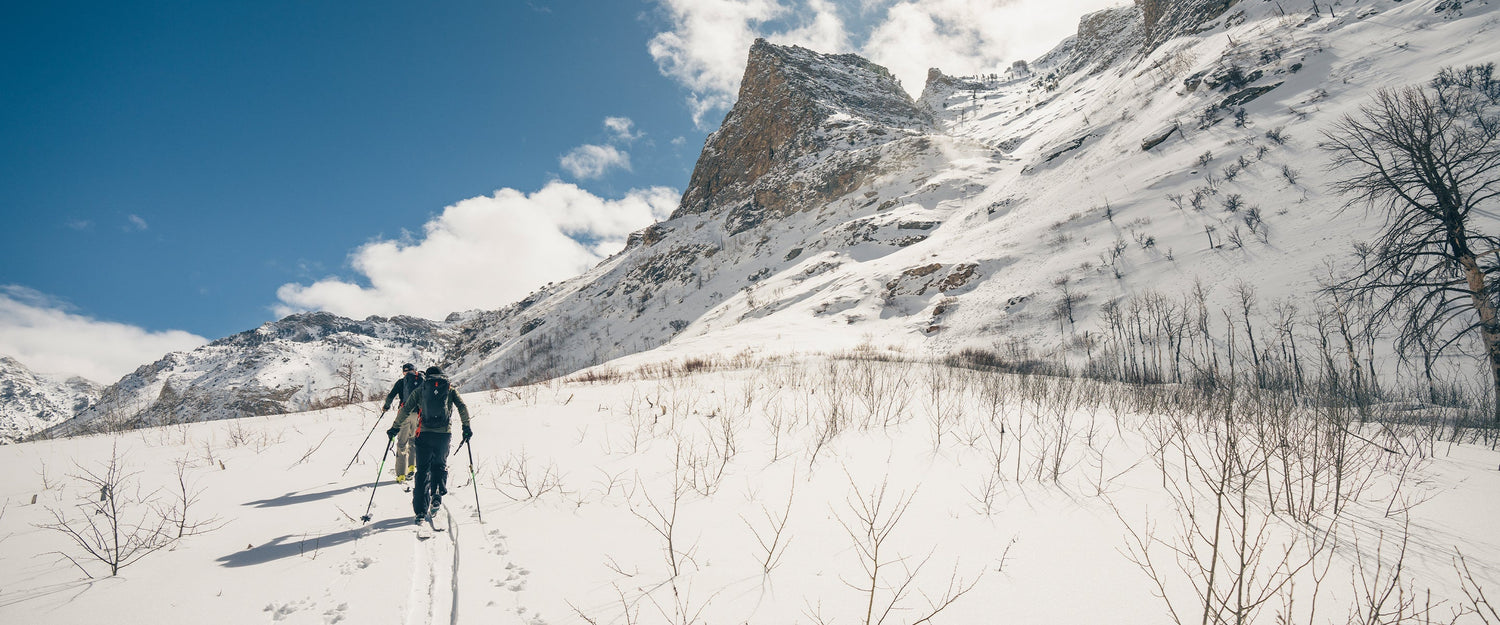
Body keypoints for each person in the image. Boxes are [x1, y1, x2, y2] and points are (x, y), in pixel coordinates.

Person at [387, 365, 471, 524]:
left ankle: (420, 510)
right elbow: (462, 407)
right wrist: (466, 427)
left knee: (423, 470)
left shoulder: (421, 390)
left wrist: (395, 427)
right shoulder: (450, 389)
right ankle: (437, 493)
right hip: (444, 435)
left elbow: (405, 409)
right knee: (439, 465)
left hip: (423, 434)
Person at [380, 363, 423, 484]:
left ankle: (401, 475)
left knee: (402, 443)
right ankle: (411, 467)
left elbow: (391, 396)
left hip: (404, 414)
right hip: (418, 414)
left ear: (404, 372)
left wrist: (386, 407)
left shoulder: (401, 382)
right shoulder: (421, 380)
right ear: (415, 371)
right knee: (413, 441)